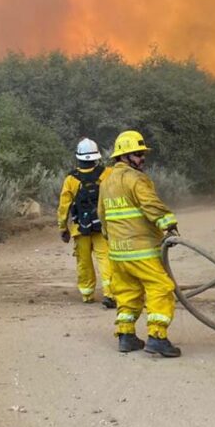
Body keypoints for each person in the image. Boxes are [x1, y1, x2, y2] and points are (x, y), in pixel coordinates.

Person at [98, 130, 182, 358]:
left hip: (117, 253)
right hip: (141, 251)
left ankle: (126, 336)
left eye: (142, 154)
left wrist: (112, 240)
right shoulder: (136, 179)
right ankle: (157, 337)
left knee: (127, 292)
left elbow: (102, 216)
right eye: (136, 154)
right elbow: (151, 205)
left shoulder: (105, 182)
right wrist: (169, 224)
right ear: (123, 157)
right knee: (161, 288)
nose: (142, 158)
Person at [57, 138, 115, 308]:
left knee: (84, 261)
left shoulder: (71, 179)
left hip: (79, 228)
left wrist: (63, 228)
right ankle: (110, 294)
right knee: (105, 258)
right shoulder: (107, 173)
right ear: (97, 156)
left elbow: (63, 206)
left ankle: (87, 294)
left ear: (78, 157)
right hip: (102, 226)